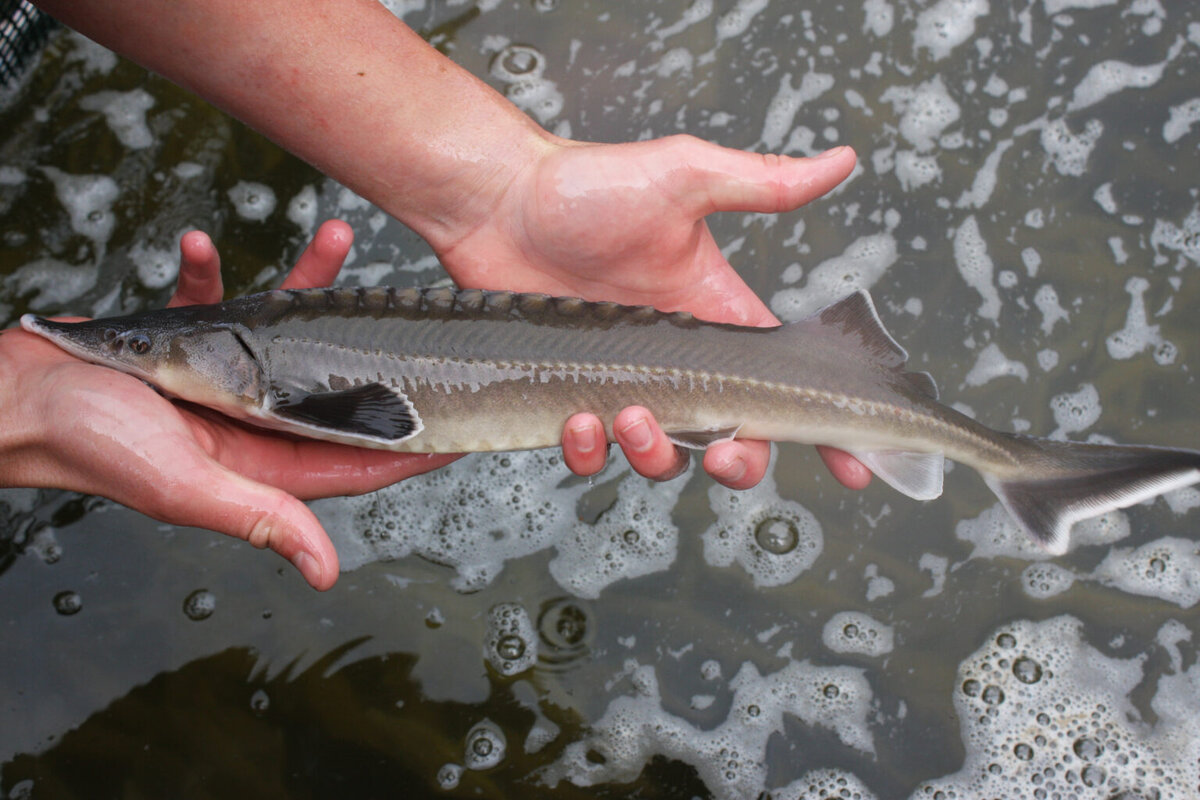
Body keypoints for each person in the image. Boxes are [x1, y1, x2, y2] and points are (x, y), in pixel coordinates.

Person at [2, 0, 870, 589]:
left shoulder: (255, 366)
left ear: (240, 364)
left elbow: (378, 417)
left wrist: (502, 186)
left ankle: (935, 425)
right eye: (138, 350)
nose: (130, 352)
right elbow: (382, 417)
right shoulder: (233, 367)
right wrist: (24, 409)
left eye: (144, 347)